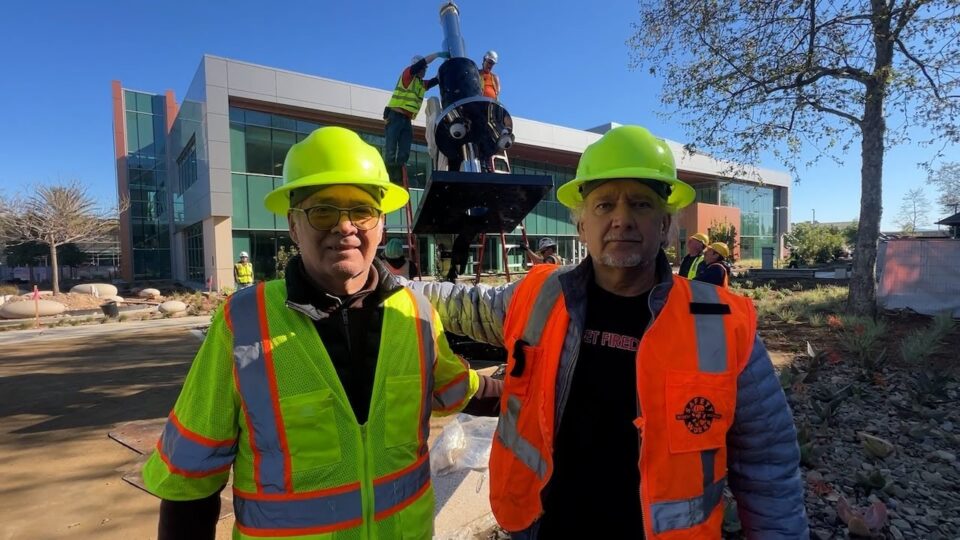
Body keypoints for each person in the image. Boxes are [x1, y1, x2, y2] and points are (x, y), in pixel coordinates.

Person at [404, 125, 807, 538]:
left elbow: (767, 468)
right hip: (545, 528)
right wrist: (394, 285)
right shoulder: (541, 297)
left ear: (665, 224)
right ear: (581, 227)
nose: (622, 219)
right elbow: (460, 304)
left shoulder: (723, 323)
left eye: (640, 204)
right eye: (603, 205)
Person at [142, 126, 502, 540]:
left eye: (361, 211)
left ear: (381, 225)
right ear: (294, 226)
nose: (345, 227)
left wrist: (537, 393)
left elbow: (460, 387)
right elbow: (192, 476)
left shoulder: (415, 314)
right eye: (323, 211)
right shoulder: (243, 323)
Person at [383, 52, 448, 184]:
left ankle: (399, 177)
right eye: (424, 68)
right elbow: (423, 62)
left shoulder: (421, 84)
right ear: (418, 68)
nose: (425, 71)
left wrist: (447, 66)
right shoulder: (408, 75)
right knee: (391, 149)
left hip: (406, 120)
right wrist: (437, 55)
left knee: (404, 150)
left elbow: (435, 80)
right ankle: (389, 177)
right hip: (395, 116)